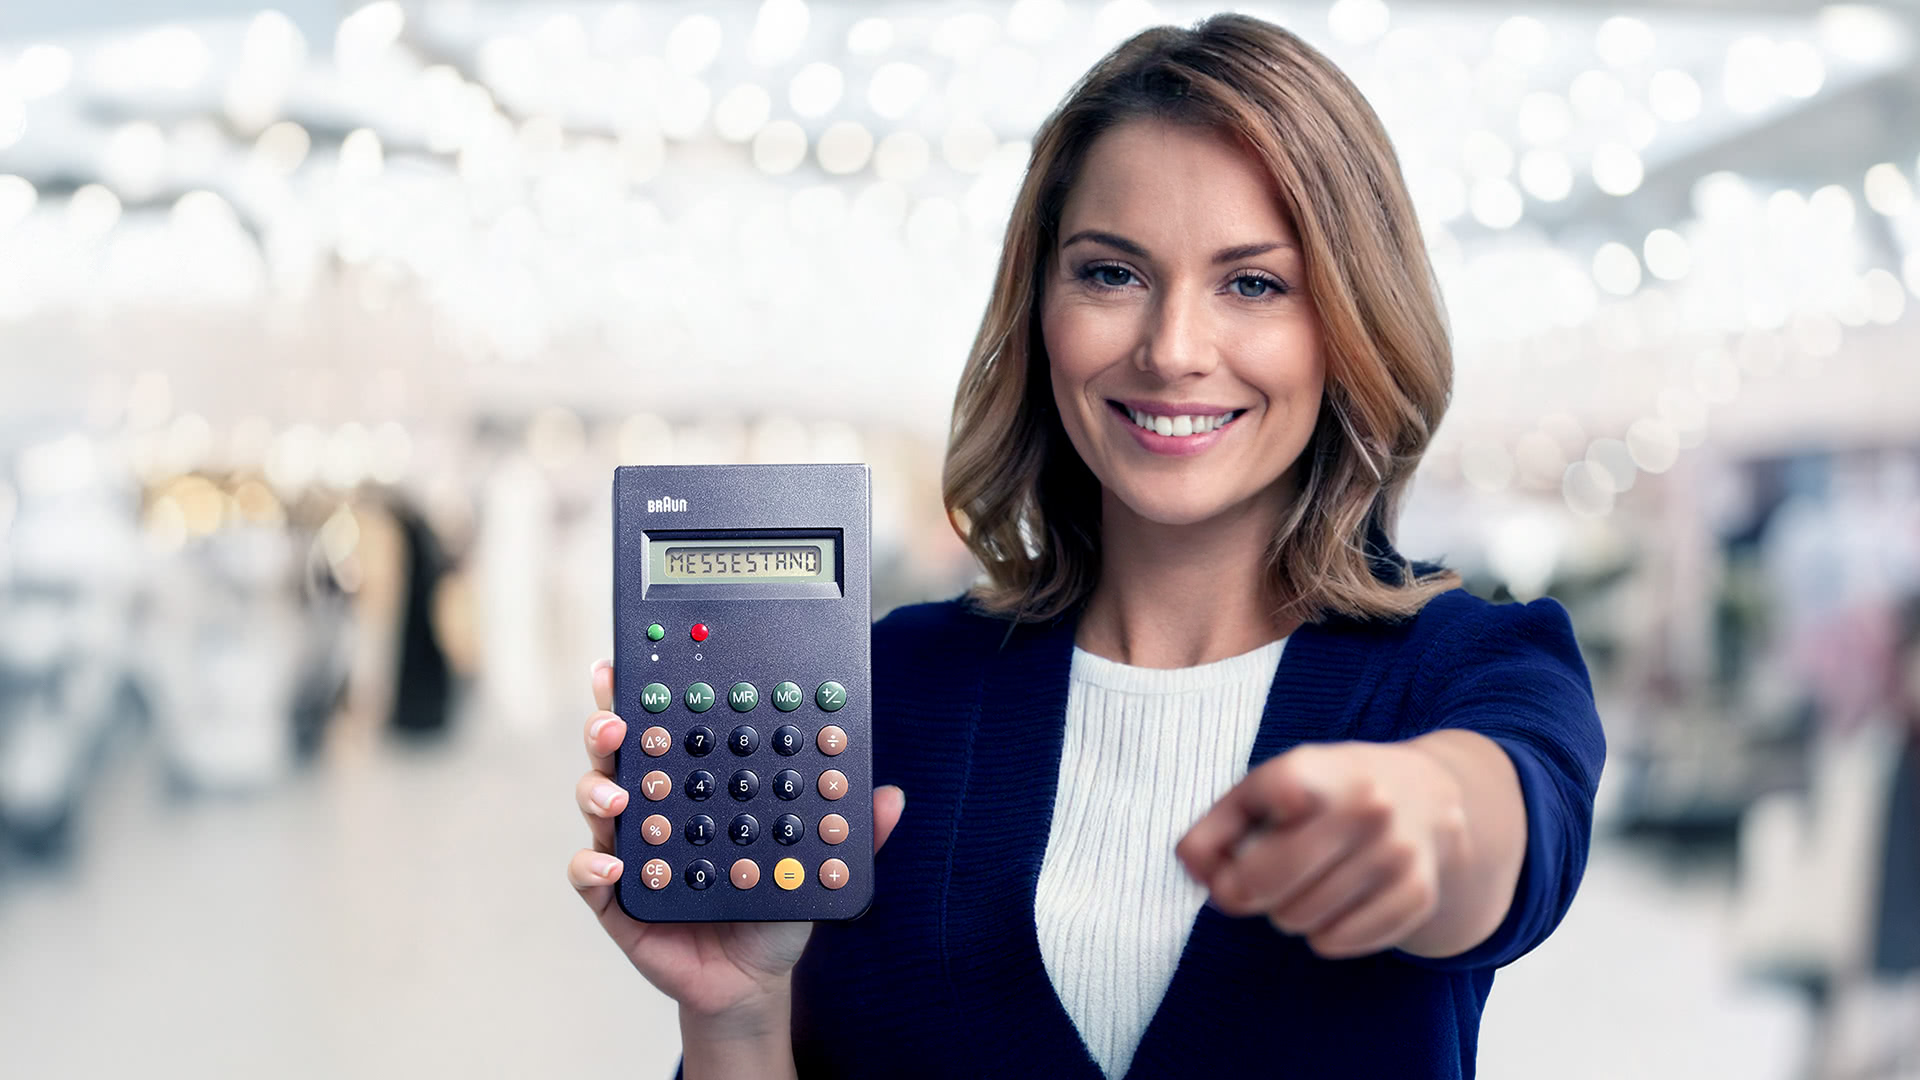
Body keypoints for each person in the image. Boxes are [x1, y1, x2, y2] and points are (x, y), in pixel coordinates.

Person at [568, 14, 1605, 1079]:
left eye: (1254, 283)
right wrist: (735, 1020)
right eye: (1113, 274)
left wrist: (1419, 818)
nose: (1172, 350)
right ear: (1041, 306)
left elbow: (1500, 824)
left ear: (1351, 323)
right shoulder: (875, 698)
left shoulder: (1470, 670)